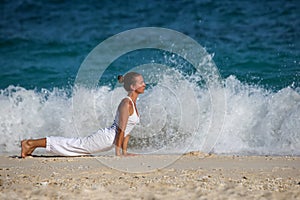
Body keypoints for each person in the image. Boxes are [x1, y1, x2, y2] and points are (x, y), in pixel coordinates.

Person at [21, 72, 146, 158]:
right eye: (141, 82)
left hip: (109, 141)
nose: (144, 84)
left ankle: (32, 145)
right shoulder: (126, 103)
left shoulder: (133, 103)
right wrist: (118, 153)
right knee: (74, 145)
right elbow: (121, 130)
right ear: (132, 86)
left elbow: (127, 132)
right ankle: (30, 144)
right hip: (105, 139)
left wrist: (125, 152)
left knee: (74, 146)